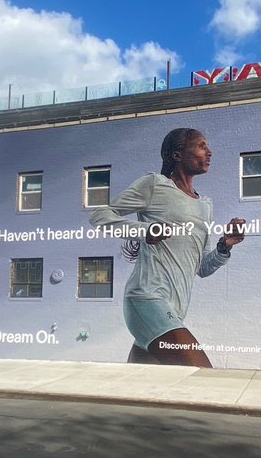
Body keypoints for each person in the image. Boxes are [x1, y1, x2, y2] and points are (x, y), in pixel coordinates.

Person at [89, 127, 245, 367]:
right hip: (147, 299)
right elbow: (100, 217)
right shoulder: (154, 184)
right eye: (202, 146)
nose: (210, 153)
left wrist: (224, 246)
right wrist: (145, 231)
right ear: (177, 154)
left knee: (141, 392)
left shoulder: (205, 205)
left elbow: (201, 266)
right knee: (203, 374)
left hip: (174, 309)